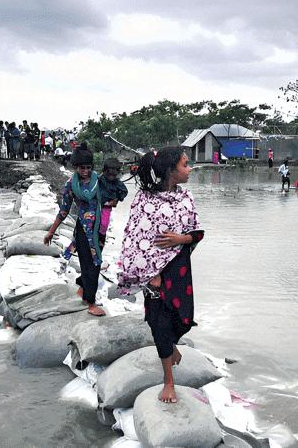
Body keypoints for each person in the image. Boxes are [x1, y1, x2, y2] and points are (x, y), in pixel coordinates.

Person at [119, 147, 204, 404]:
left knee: (183, 319)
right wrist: (149, 274)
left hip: (178, 270)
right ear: (170, 170)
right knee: (159, 324)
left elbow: (197, 233)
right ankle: (169, 381)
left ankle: (172, 346)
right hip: (151, 274)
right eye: (185, 165)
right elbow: (134, 239)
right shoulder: (144, 200)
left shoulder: (186, 198)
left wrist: (181, 238)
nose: (189, 169)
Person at [43, 143, 106, 316]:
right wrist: (51, 232)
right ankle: (90, 302)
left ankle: (83, 287)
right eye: (81, 168)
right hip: (83, 230)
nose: (85, 171)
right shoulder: (71, 184)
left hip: (99, 229)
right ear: (75, 167)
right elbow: (63, 210)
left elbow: (112, 196)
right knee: (90, 265)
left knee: (96, 263)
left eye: (88, 167)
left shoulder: (99, 181)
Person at [97, 157, 128, 248]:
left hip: (107, 207)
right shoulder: (99, 179)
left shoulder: (118, 183)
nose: (111, 177)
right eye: (109, 174)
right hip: (95, 205)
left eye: (114, 175)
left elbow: (124, 192)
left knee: (104, 225)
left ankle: (101, 240)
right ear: (105, 171)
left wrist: (117, 199)